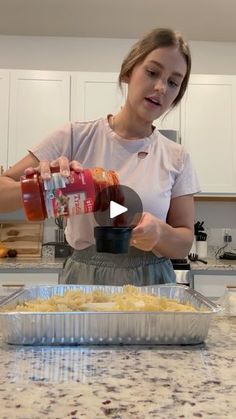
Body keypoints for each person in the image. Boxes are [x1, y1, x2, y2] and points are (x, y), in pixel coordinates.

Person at [0, 28, 200, 286]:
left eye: (174, 82)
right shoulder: (73, 137)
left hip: (153, 284)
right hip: (85, 281)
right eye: (152, 72)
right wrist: (41, 188)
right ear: (128, 72)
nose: (161, 87)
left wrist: (159, 233)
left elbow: (184, 243)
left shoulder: (177, 156)